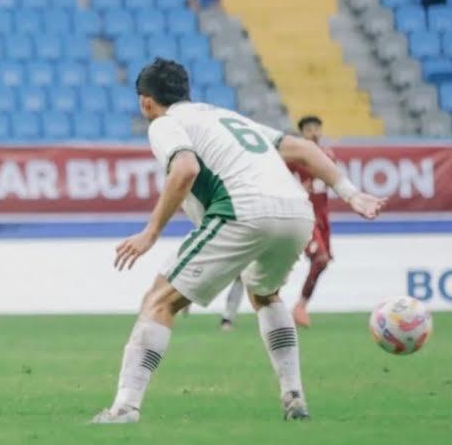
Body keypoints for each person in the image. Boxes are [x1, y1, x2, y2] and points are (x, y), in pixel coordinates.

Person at [90, 59, 384, 425]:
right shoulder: (226, 117)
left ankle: (124, 408)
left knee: (159, 300)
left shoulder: (165, 124)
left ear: (146, 102)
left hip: (243, 211)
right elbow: (306, 151)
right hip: (296, 213)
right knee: (265, 294)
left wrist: (151, 232)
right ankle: (293, 395)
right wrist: (352, 194)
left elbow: (185, 169)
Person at [288, 115, 336, 328]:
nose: (314, 132)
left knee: (323, 262)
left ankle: (299, 306)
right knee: (320, 259)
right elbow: (278, 177)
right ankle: (298, 306)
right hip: (304, 216)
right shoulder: (294, 157)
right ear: (302, 133)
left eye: (317, 128)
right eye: (308, 129)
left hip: (323, 217)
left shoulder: (329, 155)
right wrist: (297, 190)